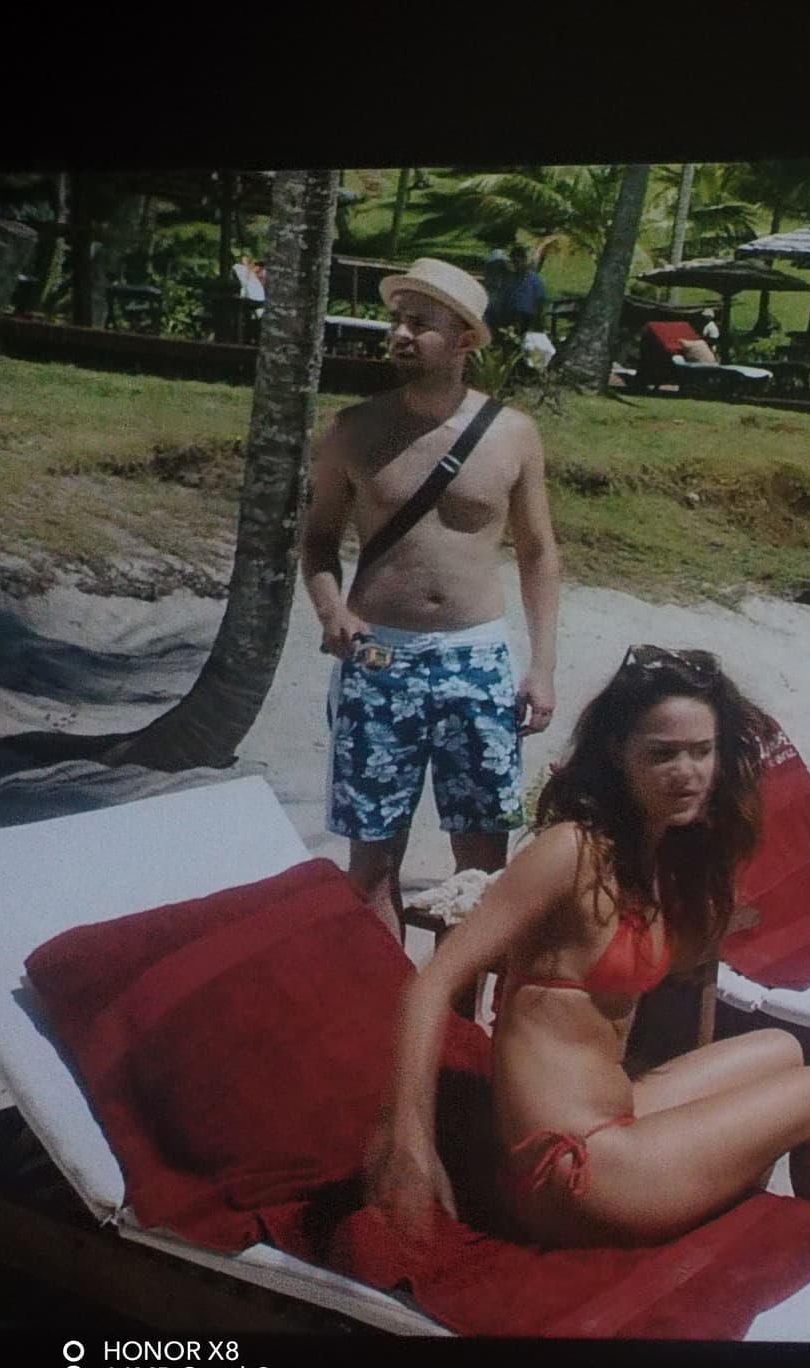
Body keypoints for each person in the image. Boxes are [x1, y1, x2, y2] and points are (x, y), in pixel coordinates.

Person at [365, 647, 810, 1248]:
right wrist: (408, 1141)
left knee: (781, 1048)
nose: (686, 772)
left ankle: (807, 1241)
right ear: (617, 753)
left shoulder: (652, 859)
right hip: (572, 1167)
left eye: (702, 751)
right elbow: (430, 984)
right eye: (662, 754)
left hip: (614, 1118)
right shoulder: (571, 851)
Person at [301, 256, 561, 941]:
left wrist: (542, 668)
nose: (400, 334)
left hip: (475, 661)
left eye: (420, 323)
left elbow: (538, 553)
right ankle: (381, 1000)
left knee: (481, 869)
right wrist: (331, 610)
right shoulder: (353, 430)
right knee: (371, 866)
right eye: (397, 320)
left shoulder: (512, 434)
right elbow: (318, 540)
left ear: (465, 340)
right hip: (378, 660)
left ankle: (456, 1001)